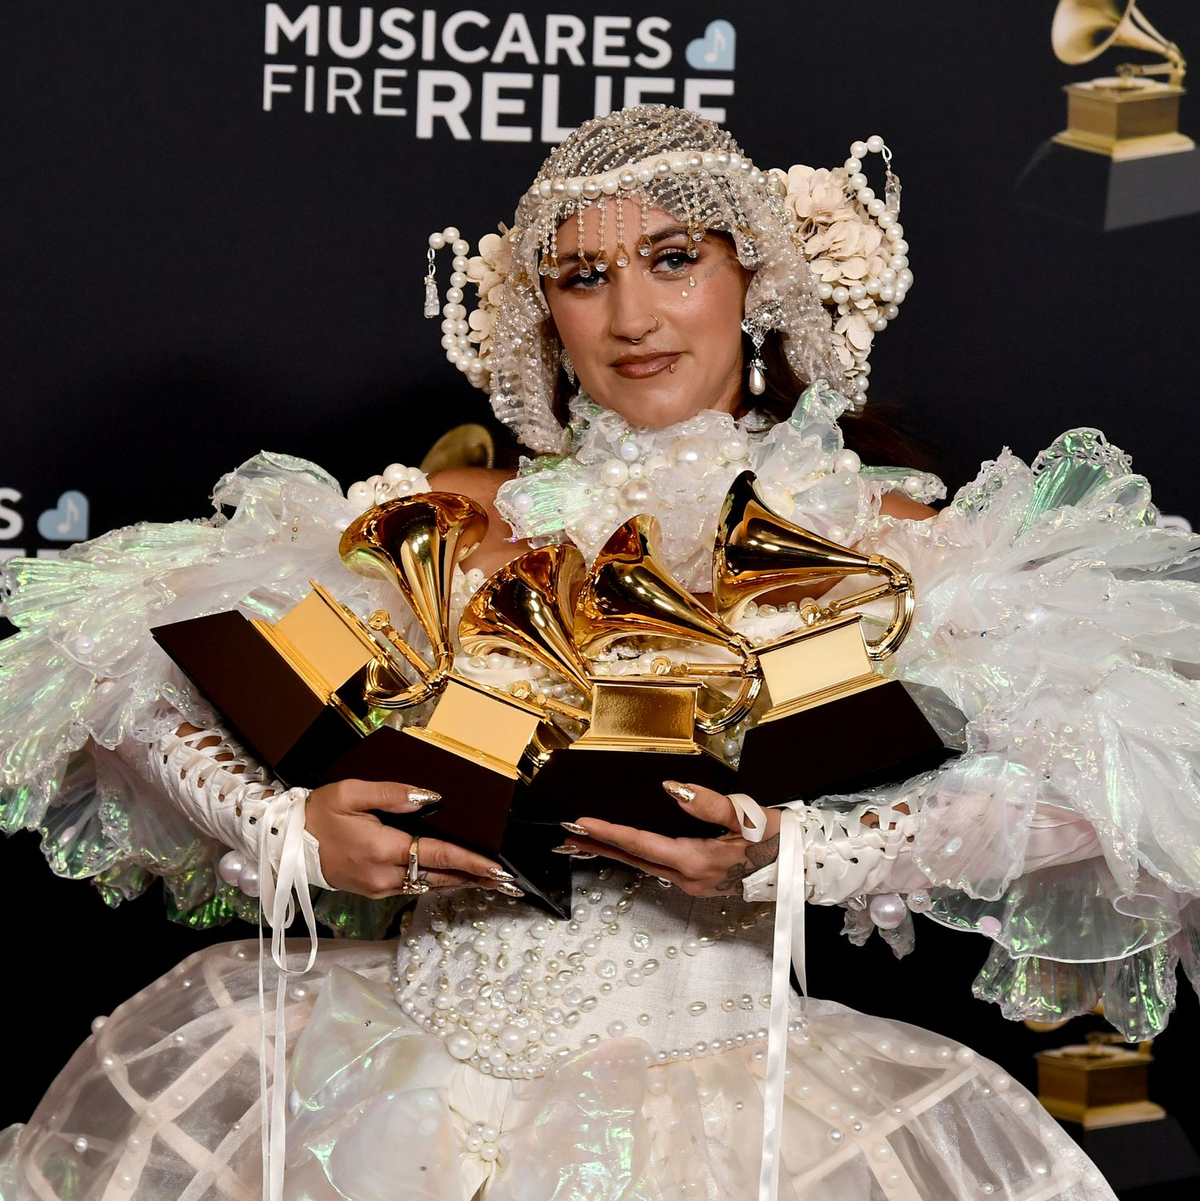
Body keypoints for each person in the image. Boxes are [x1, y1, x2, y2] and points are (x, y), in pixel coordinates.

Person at [2, 103, 1197, 1201]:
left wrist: (801, 854)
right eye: (584, 276)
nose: (631, 317)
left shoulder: (874, 537)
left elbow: (1117, 786)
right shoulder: (453, 519)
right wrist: (288, 830)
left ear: (754, 280)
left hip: (723, 1115)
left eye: (673, 260)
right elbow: (105, 667)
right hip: (377, 1092)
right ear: (542, 311)